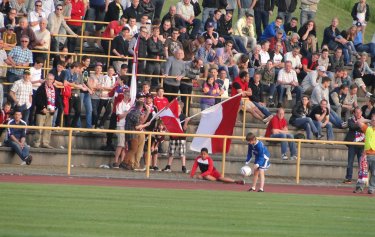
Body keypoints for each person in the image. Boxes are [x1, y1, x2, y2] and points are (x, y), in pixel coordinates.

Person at [162, 101, 190, 173]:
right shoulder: (173, 116)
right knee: (171, 152)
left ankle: (183, 167)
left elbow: (184, 128)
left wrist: (186, 122)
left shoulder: (184, 116)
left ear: (181, 108)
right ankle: (168, 166)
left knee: (182, 152)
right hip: (173, 136)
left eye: (178, 107)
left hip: (181, 137)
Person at [122, 100, 150, 170]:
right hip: (132, 134)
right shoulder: (137, 114)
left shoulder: (131, 112)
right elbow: (137, 127)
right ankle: (124, 162)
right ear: (141, 107)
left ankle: (128, 164)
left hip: (128, 133)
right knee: (134, 149)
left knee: (131, 149)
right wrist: (145, 125)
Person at [343, 107, 369, 184]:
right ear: (354, 113)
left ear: (361, 113)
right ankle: (348, 178)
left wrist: (361, 125)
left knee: (361, 163)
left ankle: (360, 179)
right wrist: (361, 124)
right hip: (352, 144)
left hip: (361, 145)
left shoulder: (365, 121)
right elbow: (352, 127)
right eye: (356, 112)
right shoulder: (350, 120)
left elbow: (366, 129)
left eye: (359, 112)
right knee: (350, 162)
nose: (358, 114)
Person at [33, 73, 56, 149]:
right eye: (48, 79)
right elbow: (37, 99)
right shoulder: (41, 88)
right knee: (39, 128)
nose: (49, 81)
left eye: (51, 79)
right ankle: (36, 143)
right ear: (46, 79)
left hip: (50, 112)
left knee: (48, 128)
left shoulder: (54, 88)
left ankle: (45, 143)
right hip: (41, 111)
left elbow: (57, 100)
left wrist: (54, 108)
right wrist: (42, 107)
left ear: (53, 80)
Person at [355, 113, 375, 194]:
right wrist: (369, 120)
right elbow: (359, 121)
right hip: (366, 155)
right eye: (373, 120)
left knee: (374, 174)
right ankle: (360, 187)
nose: (374, 122)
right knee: (362, 172)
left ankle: (372, 188)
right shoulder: (367, 128)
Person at [113, 91, 131, 168]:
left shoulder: (130, 104)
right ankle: (116, 161)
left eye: (129, 95)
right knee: (120, 144)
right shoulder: (119, 104)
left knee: (125, 145)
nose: (128, 96)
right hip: (121, 125)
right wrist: (127, 112)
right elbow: (120, 116)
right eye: (127, 95)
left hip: (128, 126)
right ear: (124, 95)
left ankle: (122, 161)